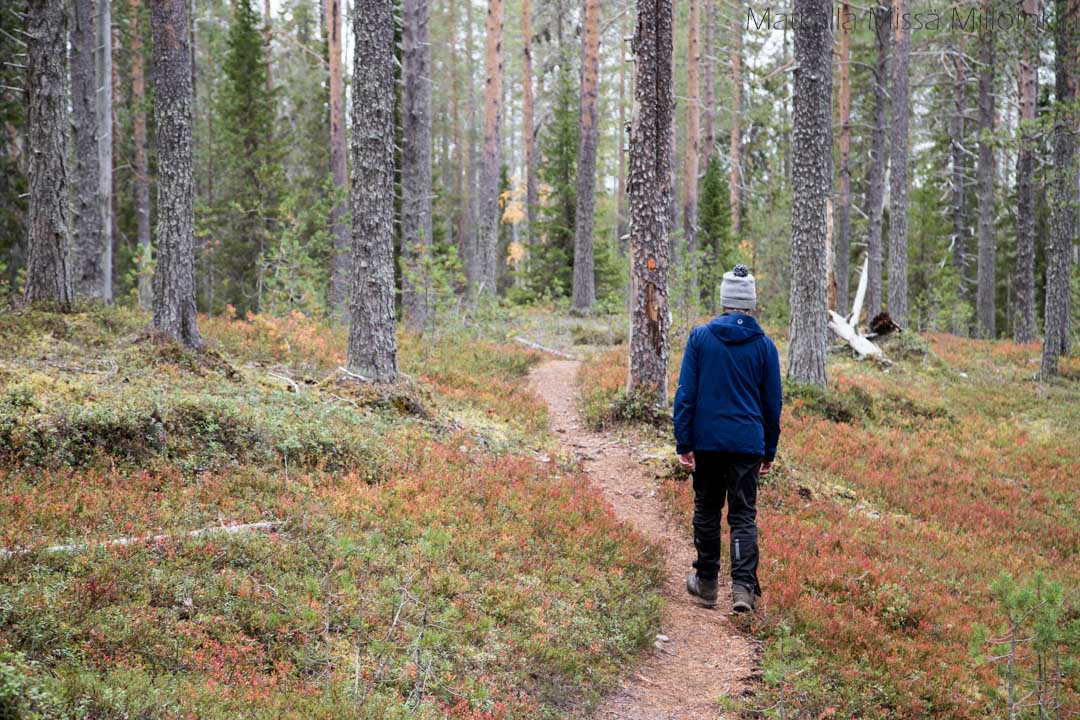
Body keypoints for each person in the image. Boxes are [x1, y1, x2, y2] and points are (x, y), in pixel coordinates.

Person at [672, 264, 782, 612]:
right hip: (747, 443)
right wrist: (769, 450)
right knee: (743, 515)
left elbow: (686, 394)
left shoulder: (700, 338)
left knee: (707, 508)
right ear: (751, 303)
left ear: (724, 300)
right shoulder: (765, 347)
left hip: (707, 441)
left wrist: (684, 441)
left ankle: (706, 583)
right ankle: (743, 590)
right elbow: (772, 404)